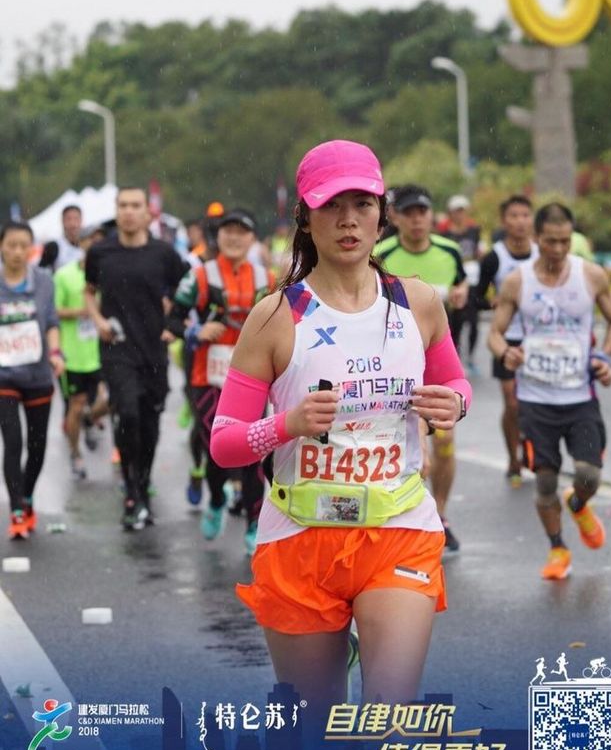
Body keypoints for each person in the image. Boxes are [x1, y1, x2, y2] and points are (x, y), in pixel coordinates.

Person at [210, 141, 471, 715]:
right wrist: (286, 424)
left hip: (397, 529)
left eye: (362, 204)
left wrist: (454, 403)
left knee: (391, 719)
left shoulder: (418, 303)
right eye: (331, 206)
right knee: (316, 733)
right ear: (305, 216)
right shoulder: (277, 315)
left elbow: (457, 385)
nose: (349, 220)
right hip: (300, 536)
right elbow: (225, 443)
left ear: (383, 212)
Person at [488, 203, 611, 581]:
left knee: (589, 474)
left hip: (580, 398)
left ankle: (579, 504)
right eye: (551, 242)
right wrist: (507, 352)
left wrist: (604, 356)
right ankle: (558, 548)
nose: (559, 249)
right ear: (536, 238)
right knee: (545, 480)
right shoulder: (517, 281)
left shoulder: (591, 276)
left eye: (565, 241)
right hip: (535, 400)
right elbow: (495, 333)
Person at [166, 208, 275, 553]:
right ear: (218, 236)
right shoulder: (200, 276)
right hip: (208, 377)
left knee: (253, 449)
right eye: (227, 231)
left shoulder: (268, 279)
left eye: (241, 232)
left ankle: (255, 522)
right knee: (220, 449)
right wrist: (197, 330)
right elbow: (172, 321)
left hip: (253, 377)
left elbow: (295, 318)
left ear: (252, 238)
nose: (234, 238)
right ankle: (216, 499)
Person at [85, 187, 188, 531]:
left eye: (135, 206)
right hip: (117, 349)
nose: (129, 212)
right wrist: (97, 321)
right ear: (117, 211)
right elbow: (89, 291)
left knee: (149, 424)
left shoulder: (163, 254)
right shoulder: (101, 252)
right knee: (126, 411)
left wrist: (174, 324)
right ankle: (131, 492)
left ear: (148, 213)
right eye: (123, 206)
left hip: (153, 349)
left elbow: (185, 288)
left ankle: (142, 484)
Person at [373, 184, 468, 552]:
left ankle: (440, 515)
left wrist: (462, 296)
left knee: (443, 443)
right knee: (400, 442)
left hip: (438, 360)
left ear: (431, 215)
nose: (416, 220)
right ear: (395, 218)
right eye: (409, 213)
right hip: (392, 364)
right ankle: (396, 516)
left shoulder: (450, 252)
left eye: (422, 212)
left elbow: (465, 293)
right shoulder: (381, 254)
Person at [0, 221, 65, 539]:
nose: (16, 252)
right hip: (4, 376)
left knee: (37, 447)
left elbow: (51, 321)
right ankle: (15, 510)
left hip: (38, 373)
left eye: (23, 245)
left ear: (31, 248)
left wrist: (56, 353)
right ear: (1, 247)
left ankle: (26, 496)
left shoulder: (43, 282)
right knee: (13, 442)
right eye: (10, 245)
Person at [476, 195, 538, 487]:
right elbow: (477, 297)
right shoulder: (495, 257)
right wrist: (495, 305)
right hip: (505, 338)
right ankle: (513, 458)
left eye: (525, 215)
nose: (520, 222)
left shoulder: (542, 254)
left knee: (533, 404)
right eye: (514, 216)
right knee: (512, 403)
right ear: (504, 221)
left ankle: (533, 447)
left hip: (538, 340)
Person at [54, 224, 109, 480]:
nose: (95, 245)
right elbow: (53, 312)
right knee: (75, 406)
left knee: (110, 400)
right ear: (81, 243)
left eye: (100, 240)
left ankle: (90, 420)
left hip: (103, 352)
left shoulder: (110, 274)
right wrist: (82, 312)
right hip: (74, 354)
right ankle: (75, 453)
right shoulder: (65, 275)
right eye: (90, 240)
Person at [436, 194, 484, 374]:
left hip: (472, 281)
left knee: (474, 321)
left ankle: (471, 357)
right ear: (451, 213)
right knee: (453, 322)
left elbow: (478, 251)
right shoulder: (444, 234)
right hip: (454, 282)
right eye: (457, 211)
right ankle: (454, 357)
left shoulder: (474, 231)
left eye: (463, 211)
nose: (460, 214)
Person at [39, 204, 84, 272]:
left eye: (76, 219)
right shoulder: (53, 247)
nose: (73, 224)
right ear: (62, 221)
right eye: (69, 219)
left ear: (81, 221)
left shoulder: (88, 246)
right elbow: (41, 273)